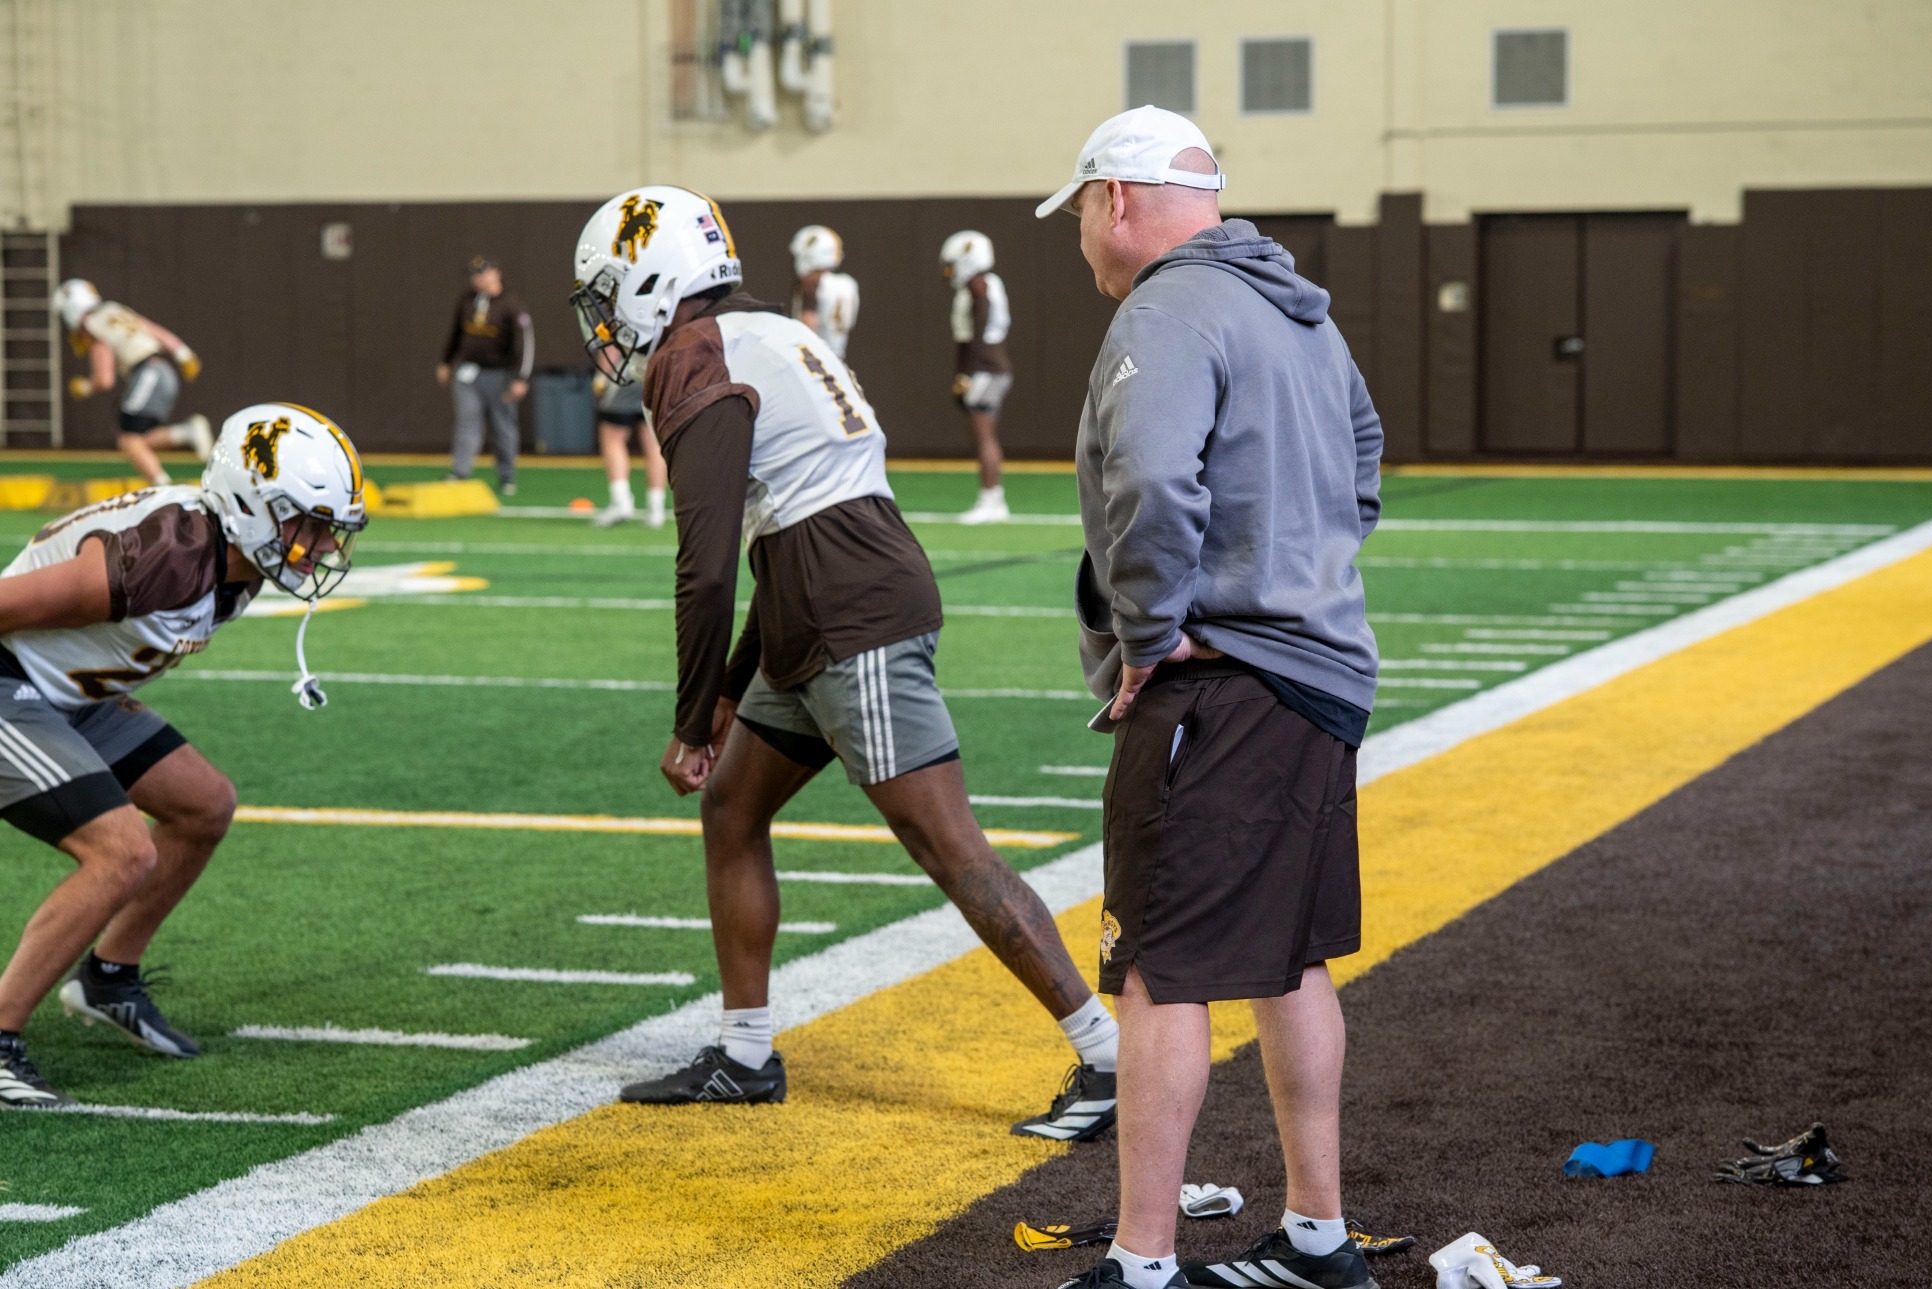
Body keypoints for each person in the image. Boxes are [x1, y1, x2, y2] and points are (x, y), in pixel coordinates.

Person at [568, 186, 1118, 1134]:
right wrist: (734, 691)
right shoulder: (773, 331)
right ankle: (746, 1052)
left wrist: (690, 715)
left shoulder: (698, 353)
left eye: (614, 296)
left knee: (948, 845)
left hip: (844, 603)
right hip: (826, 585)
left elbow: (705, 568)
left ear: (659, 281)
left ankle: (1107, 1057)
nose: (610, 322)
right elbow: (776, 535)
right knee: (733, 807)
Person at [1038, 107, 1384, 1289]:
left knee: (1156, 967)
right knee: (1289, 959)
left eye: (1081, 207)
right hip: (1318, 677)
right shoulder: (1302, 311)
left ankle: (1142, 1263)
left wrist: (1149, 631)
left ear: (1118, 198)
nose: (1080, 232)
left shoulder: (1167, 307)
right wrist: (1299, 576)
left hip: (1220, 685)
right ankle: (1317, 1237)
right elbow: (1365, 460)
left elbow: (1146, 471)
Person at [0, 403, 367, 1108]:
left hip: (69, 689)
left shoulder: (232, 553)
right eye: (307, 522)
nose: (319, 545)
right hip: (10, 679)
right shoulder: (157, 558)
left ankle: (109, 975)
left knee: (205, 804)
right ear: (251, 502)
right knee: (122, 852)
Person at [53, 280, 214, 487]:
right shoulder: (114, 310)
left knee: (128, 440)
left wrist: (84, 387)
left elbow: (105, 379)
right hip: (164, 371)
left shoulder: (93, 324)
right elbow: (154, 330)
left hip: (147, 373)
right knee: (138, 439)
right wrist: (183, 354)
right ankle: (186, 432)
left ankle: (162, 489)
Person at [436, 255, 533, 497]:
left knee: (503, 425)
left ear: (496, 273)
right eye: (476, 274)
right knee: (467, 420)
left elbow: (525, 343)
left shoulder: (511, 302)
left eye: (485, 273)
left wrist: (521, 377)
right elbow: (456, 333)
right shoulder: (467, 300)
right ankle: (460, 471)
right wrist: (446, 361)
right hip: (468, 372)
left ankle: (506, 475)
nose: (480, 278)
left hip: (499, 373)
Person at [939, 231, 1012, 524]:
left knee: (983, 433)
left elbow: (977, 333)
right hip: (989, 366)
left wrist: (966, 374)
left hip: (985, 368)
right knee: (983, 431)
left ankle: (991, 498)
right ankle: (993, 497)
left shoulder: (979, 287)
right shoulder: (985, 284)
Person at [592, 372, 666, 528]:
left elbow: (612, 350)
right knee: (653, 440)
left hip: (629, 372)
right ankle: (656, 508)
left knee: (612, 436)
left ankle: (620, 501)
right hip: (658, 374)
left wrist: (601, 377)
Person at [788, 225, 860, 361]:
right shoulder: (846, 285)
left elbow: (806, 330)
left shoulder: (814, 287)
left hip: (815, 362)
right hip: (837, 361)